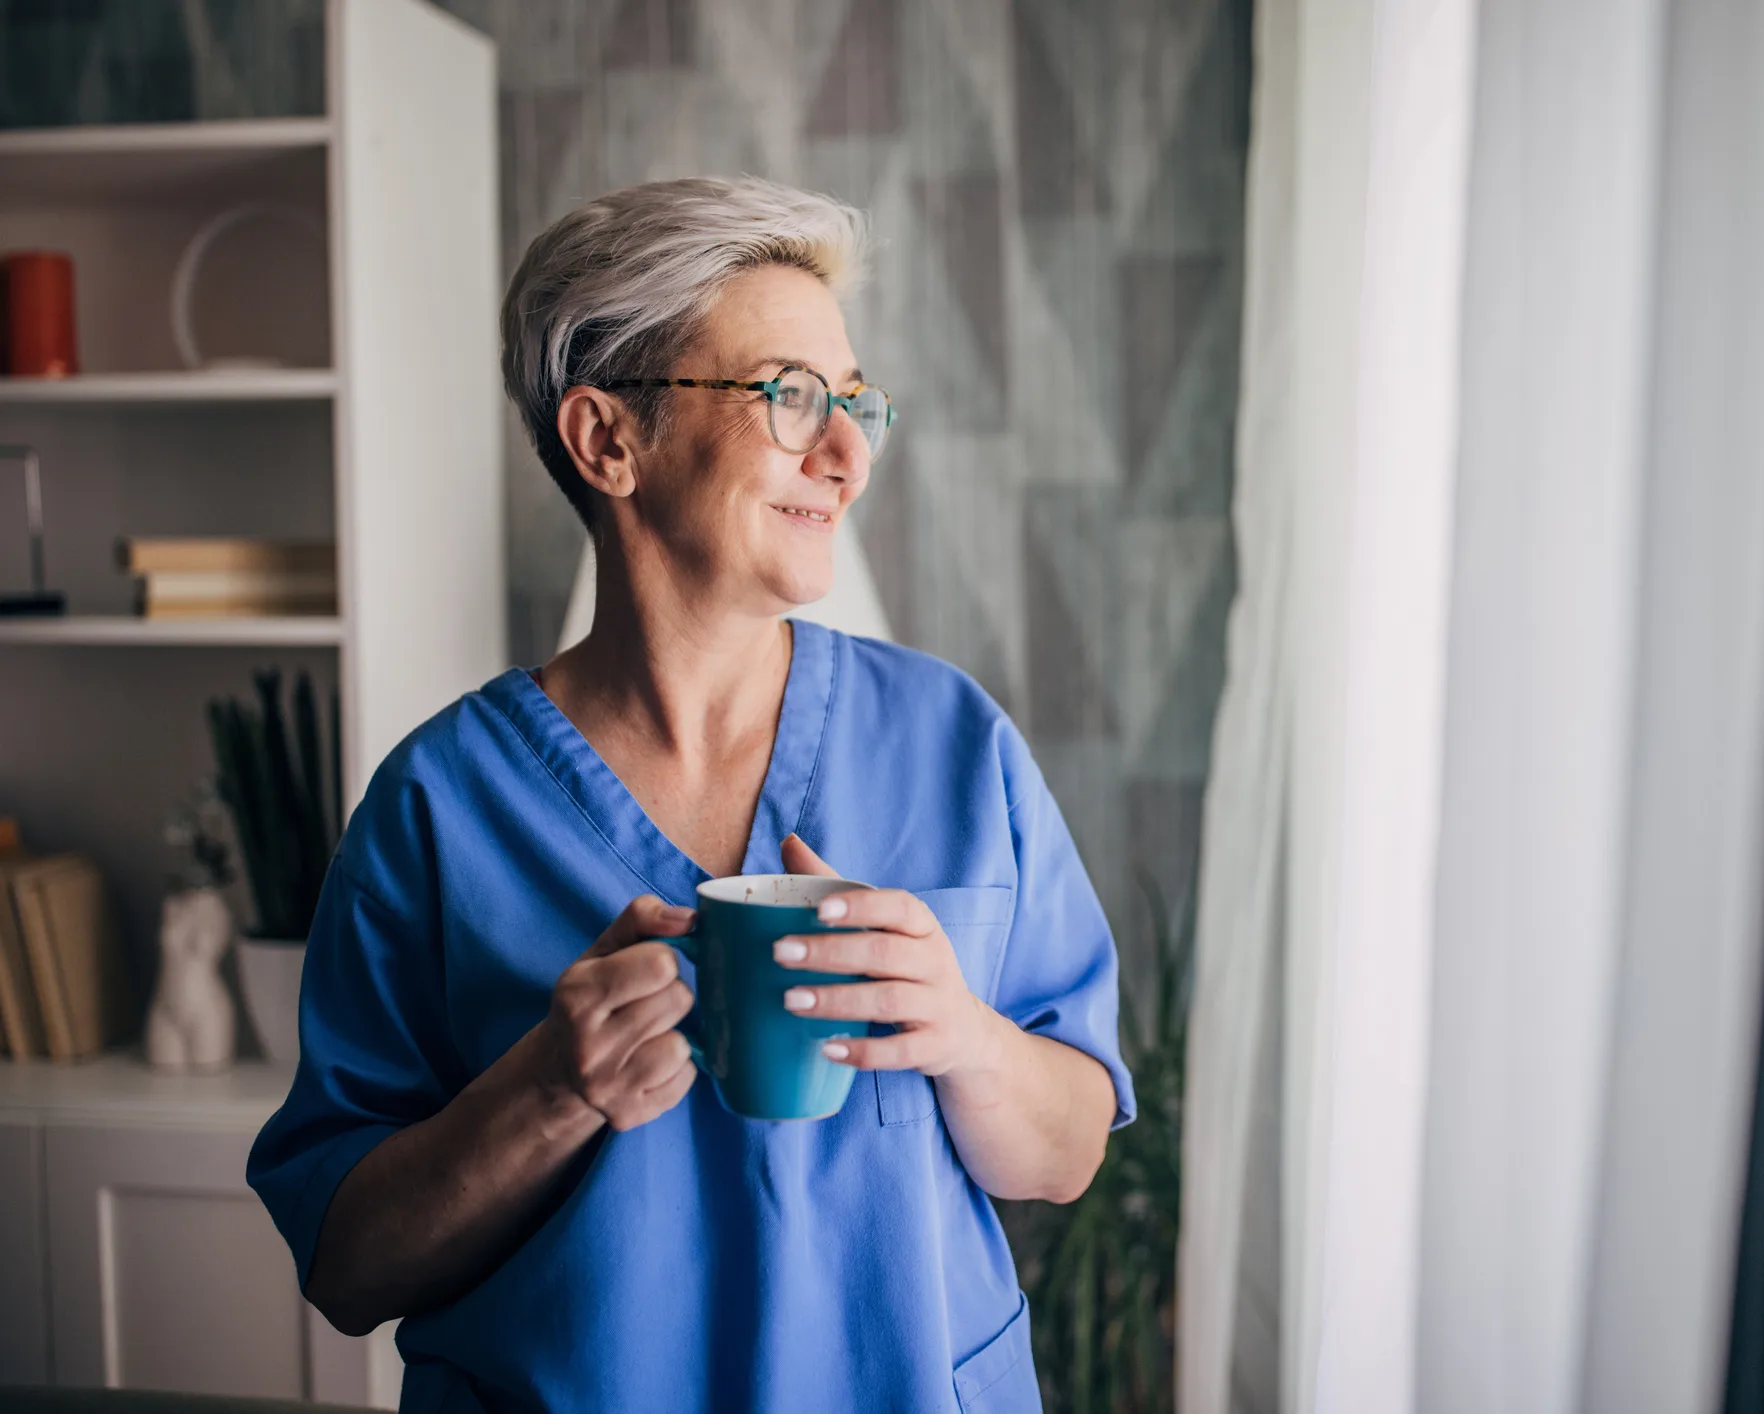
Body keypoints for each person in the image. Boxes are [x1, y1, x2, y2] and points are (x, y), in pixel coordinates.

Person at [248, 176, 1132, 1414]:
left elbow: (1068, 1150)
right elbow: (349, 1267)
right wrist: (546, 1089)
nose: (848, 456)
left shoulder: (953, 743)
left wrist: (960, 1034)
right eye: (791, 396)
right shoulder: (437, 807)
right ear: (607, 440)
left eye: (855, 403)